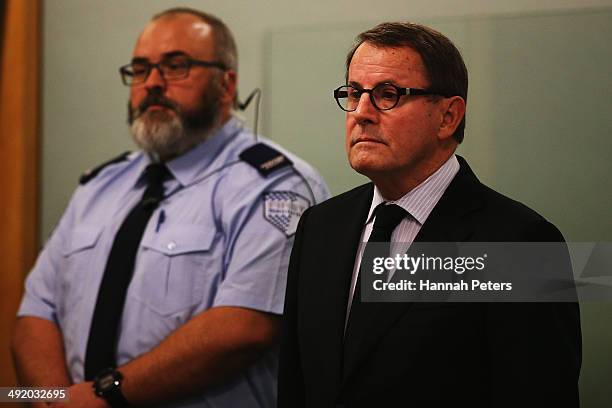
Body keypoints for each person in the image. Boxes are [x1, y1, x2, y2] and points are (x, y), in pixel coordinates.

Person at [12, 7, 329, 408]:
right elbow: (35, 313)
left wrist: (106, 397)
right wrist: (54, 401)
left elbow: (245, 328)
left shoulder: (273, 185)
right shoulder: (99, 185)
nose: (153, 84)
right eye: (140, 69)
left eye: (176, 67)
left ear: (226, 85)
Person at [278, 22, 581, 407]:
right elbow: (295, 385)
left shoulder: (521, 243)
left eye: (388, 95)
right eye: (354, 94)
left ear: (448, 118)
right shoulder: (321, 226)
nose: (361, 113)